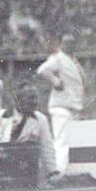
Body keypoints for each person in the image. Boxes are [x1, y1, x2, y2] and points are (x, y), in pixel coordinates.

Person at [35, 38, 85, 173]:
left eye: (72, 42)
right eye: (67, 42)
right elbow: (42, 70)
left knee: (69, 142)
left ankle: (64, 171)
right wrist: (55, 81)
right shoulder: (58, 58)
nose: (70, 45)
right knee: (62, 141)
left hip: (72, 106)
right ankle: (57, 172)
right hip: (61, 105)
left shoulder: (73, 60)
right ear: (62, 44)